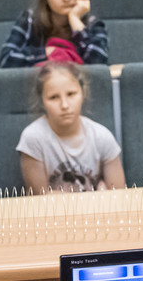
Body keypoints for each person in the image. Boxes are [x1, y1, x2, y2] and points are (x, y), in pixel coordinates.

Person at [18, 62, 125, 194]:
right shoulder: (32, 139)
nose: (64, 105)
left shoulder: (103, 137)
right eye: (53, 97)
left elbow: (119, 195)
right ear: (42, 101)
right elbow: (39, 197)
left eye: (71, 94)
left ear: (82, 93)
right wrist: (97, 196)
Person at [0, 0, 108, 67]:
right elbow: (6, 59)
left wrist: (75, 20)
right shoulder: (30, 19)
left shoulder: (93, 24)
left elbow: (97, 63)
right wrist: (47, 52)